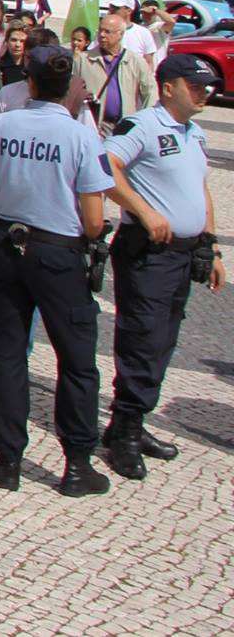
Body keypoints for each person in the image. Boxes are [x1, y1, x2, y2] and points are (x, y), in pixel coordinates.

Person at [0, 42, 115, 496]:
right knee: (76, 360)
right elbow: (93, 218)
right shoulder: (81, 136)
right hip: (59, 253)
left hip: (6, 248)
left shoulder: (0, 126)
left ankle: (8, 459)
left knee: (8, 357)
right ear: (68, 85)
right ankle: (76, 465)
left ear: (28, 82)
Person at [100, 54, 226, 478]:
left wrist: (210, 246)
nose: (203, 92)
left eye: (206, 86)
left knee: (163, 340)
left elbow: (201, 188)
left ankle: (127, 424)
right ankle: (125, 435)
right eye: (195, 85)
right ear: (168, 86)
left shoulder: (194, 133)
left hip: (183, 254)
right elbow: (105, 166)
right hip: (148, 251)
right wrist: (144, 210)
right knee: (143, 339)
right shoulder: (144, 126)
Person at [76, 12, 155, 135]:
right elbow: (71, 90)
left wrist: (144, 122)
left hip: (125, 127)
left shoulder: (135, 61)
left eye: (108, 32)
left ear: (121, 34)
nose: (102, 35)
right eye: (100, 30)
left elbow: (150, 91)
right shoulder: (83, 59)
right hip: (94, 126)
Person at [124, 1, 177, 70]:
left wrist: (155, 10)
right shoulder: (139, 27)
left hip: (157, 67)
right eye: (143, 12)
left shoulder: (160, 26)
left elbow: (171, 22)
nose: (146, 15)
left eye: (149, 13)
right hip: (141, 66)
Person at [0, 21, 31, 93]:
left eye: (22, 41)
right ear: (7, 41)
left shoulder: (31, 68)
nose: (17, 45)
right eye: (14, 40)